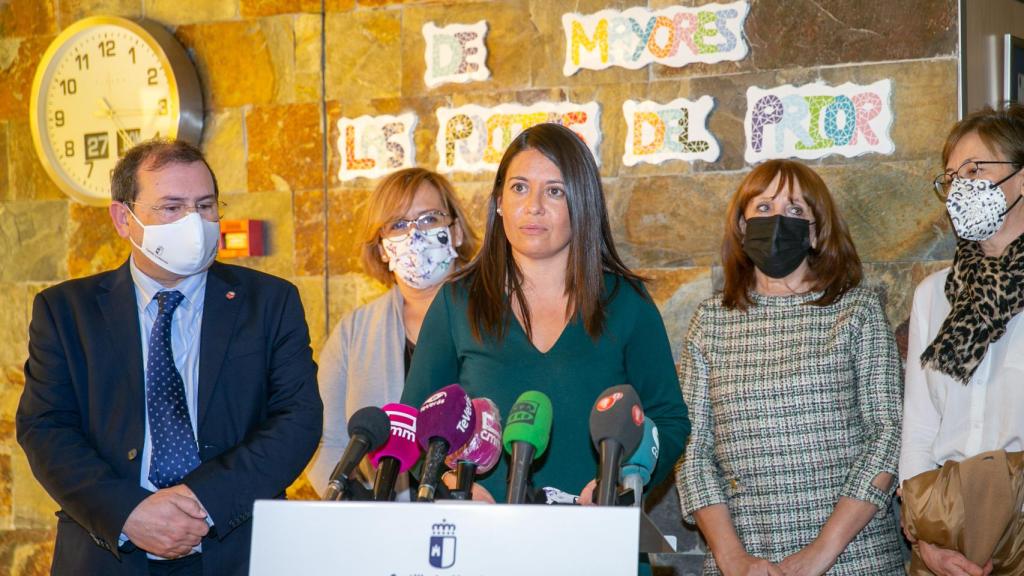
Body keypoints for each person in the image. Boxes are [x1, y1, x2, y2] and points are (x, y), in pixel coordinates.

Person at [16, 139, 323, 576]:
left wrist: (202, 502)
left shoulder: (270, 303)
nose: (193, 223)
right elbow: (45, 429)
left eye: (205, 205)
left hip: (236, 548)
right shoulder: (66, 312)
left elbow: (298, 417)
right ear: (124, 219)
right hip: (108, 554)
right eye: (171, 207)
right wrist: (131, 514)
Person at [400, 122, 690, 505]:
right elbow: (416, 422)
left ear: (583, 203)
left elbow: (668, 419)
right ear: (499, 201)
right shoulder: (457, 302)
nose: (533, 206)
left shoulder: (626, 302)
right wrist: (455, 484)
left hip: (597, 542)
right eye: (519, 187)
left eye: (554, 191)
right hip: (487, 545)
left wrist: (622, 483)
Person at [676, 159, 904, 576]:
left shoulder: (857, 310)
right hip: (742, 563)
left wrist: (818, 554)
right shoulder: (710, 322)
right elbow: (692, 452)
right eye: (763, 208)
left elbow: (888, 434)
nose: (779, 219)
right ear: (742, 227)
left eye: (796, 210)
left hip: (854, 558)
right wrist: (732, 558)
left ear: (816, 232)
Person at [901, 103, 1024, 576]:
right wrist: (927, 541)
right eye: (952, 177)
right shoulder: (935, 295)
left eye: (976, 169)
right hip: (942, 532)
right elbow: (919, 430)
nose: (960, 187)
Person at [308, 167, 477, 498]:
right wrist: (358, 510)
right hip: (382, 523)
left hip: (480, 515)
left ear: (455, 231)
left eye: (429, 219)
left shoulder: (499, 316)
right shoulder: (353, 333)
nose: (414, 236)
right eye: (398, 225)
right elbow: (325, 441)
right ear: (383, 248)